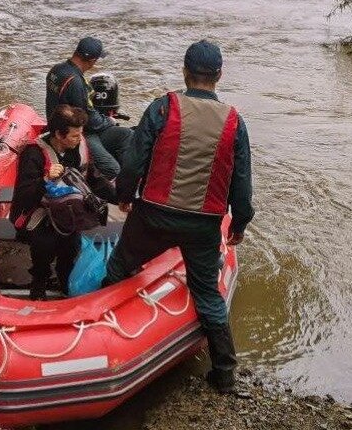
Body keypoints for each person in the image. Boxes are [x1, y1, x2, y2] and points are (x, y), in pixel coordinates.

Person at [102, 40, 254, 394]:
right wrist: (241, 223)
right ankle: (225, 375)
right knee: (207, 293)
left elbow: (133, 161)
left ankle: (108, 343)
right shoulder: (235, 122)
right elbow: (241, 181)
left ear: (185, 71)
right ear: (219, 75)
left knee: (119, 267)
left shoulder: (162, 108)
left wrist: (125, 196)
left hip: (154, 214)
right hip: (203, 224)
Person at [10, 104, 116, 300]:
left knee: (71, 248)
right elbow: (24, 196)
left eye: (80, 134)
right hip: (40, 214)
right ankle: (39, 283)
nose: (79, 139)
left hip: (69, 212)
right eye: (74, 136)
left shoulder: (79, 148)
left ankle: (65, 279)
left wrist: (120, 197)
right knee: (45, 246)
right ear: (59, 134)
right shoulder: (33, 154)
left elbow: (93, 177)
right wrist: (45, 180)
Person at [45, 37, 133, 179]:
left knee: (126, 134)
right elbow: (90, 120)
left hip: (61, 126)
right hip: (76, 132)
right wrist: (108, 121)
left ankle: (129, 176)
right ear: (92, 61)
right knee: (113, 169)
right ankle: (110, 189)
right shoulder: (76, 82)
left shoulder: (56, 70)